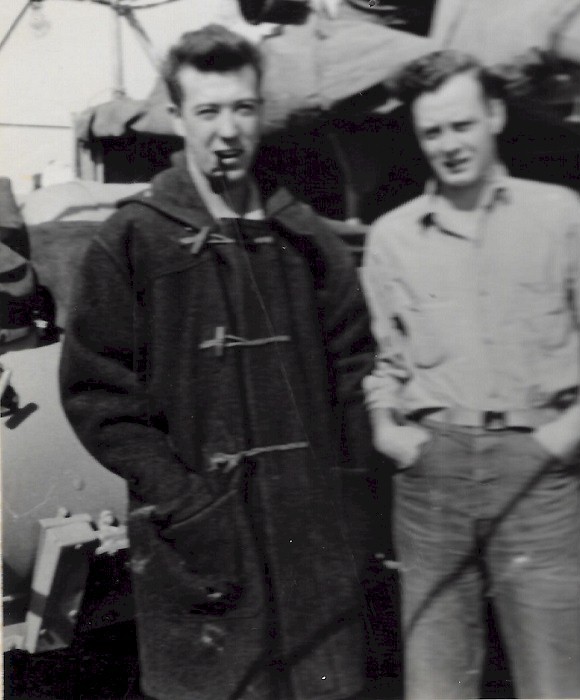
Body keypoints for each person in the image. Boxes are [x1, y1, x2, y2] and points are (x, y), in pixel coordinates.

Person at [60, 25, 376, 700]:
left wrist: (348, 496)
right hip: (197, 543)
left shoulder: (303, 236)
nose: (227, 130)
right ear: (177, 118)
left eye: (242, 108)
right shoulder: (134, 238)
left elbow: (353, 368)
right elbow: (99, 394)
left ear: (260, 112)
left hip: (311, 543)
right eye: (207, 110)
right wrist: (184, 504)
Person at [361, 50, 580, 699]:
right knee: (437, 682)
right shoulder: (391, 237)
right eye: (433, 131)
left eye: (461, 124)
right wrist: (388, 430)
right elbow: (383, 360)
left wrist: (568, 429)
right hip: (431, 474)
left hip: (536, 470)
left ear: (493, 115)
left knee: (552, 682)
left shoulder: (557, 214)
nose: (449, 144)